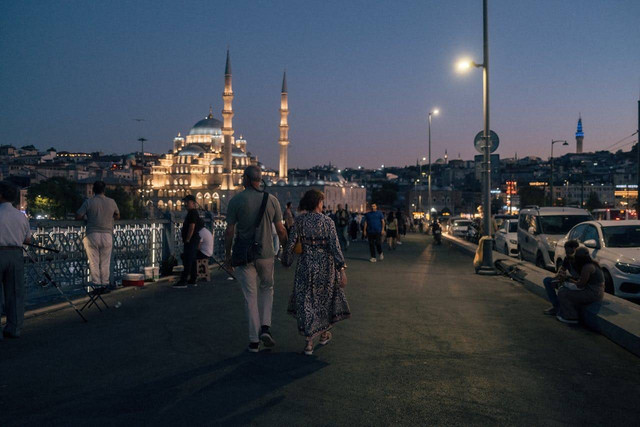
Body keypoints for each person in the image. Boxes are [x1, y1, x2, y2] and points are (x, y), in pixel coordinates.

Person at [224, 166, 287, 353]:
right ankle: (266, 328)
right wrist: (285, 249)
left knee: (250, 297)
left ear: (245, 179)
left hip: (244, 255)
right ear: (260, 180)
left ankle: (253, 340)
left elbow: (229, 231)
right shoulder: (272, 200)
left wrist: (228, 256)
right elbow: (281, 230)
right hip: (266, 254)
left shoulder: (236, 200)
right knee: (267, 289)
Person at [282, 189, 350, 355]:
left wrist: (287, 260)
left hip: (305, 266)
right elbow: (335, 247)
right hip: (325, 268)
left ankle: (309, 342)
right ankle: (324, 333)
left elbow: (291, 244)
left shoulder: (300, 221)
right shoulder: (328, 222)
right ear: (318, 202)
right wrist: (342, 269)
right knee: (324, 302)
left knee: (307, 302)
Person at [0, 181, 32, 339]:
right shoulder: (21, 217)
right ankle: (14, 327)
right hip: (16, 254)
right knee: (15, 292)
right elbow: (27, 239)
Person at [76, 181, 119, 290]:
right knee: (105, 262)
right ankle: (105, 284)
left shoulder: (89, 202)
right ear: (104, 190)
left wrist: (88, 218)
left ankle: (97, 285)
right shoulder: (111, 202)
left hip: (92, 235)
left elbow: (78, 216)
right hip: (107, 235)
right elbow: (117, 215)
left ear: (93, 190)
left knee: (94, 262)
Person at [556, 247, 605, 324]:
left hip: (592, 294)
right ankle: (566, 313)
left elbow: (580, 285)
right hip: (595, 292)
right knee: (564, 290)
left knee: (563, 293)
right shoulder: (593, 264)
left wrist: (567, 279)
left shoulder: (587, 267)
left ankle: (571, 317)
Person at [173, 195, 204, 288]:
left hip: (191, 240)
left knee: (188, 260)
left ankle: (183, 281)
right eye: (185, 202)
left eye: (187, 202)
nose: (185, 204)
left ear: (193, 203)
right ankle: (193, 279)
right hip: (194, 240)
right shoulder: (193, 213)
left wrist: (187, 239)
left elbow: (192, 227)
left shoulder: (192, 213)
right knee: (193, 260)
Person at [542, 240, 579, 316]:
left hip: (577, 283)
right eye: (566, 252)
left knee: (562, 288)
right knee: (547, 281)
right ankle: (556, 306)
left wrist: (566, 279)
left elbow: (581, 279)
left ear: (575, 249)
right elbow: (562, 268)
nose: (568, 254)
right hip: (570, 280)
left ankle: (559, 308)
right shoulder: (567, 258)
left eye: (570, 252)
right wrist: (559, 274)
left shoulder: (580, 259)